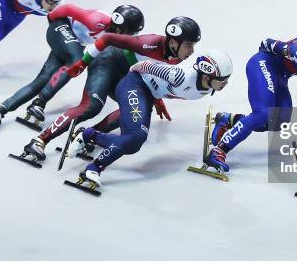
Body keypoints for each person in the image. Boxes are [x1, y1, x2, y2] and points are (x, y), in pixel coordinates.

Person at [19, 16, 202, 162]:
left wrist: (157, 99)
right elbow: (106, 38)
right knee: (91, 106)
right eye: (188, 45)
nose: (192, 51)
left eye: (193, 46)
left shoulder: (177, 58)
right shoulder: (148, 43)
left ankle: (86, 136)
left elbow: (150, 75)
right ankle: (40, 140)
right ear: (173, 42)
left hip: (127, 74)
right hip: (105, 61)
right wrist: (82, 63)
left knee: (131, 111)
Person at [65, 49, 233, 189]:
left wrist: (155, 97)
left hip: (148, 95)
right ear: (206, 76)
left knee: (132, 145)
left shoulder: (208, 87)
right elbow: (144, 65)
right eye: (222, 79)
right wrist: (134, 78)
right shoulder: (180, 76)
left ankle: (88, 135)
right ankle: (93, 168)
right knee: (136, 136)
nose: (225, 83)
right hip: (134, 85)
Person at [206, 25, 297, 172]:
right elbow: (265, 43)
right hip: (263, 64)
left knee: (279, 122)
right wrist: (284, 50)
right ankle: (220, 150)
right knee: (263, 113)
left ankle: (229, 120)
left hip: (281, 76)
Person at [0, 4, 144, 131]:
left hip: (70, 43)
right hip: (61, 27)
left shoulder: (116, 35)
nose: (128, 38)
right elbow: (67, 8)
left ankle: (0, 110)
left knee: (42, 79)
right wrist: (53, 21)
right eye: (129, 34)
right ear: (121, 29)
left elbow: (130, 58)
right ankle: (39, 103)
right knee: (77, 59)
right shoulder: (97, 20)